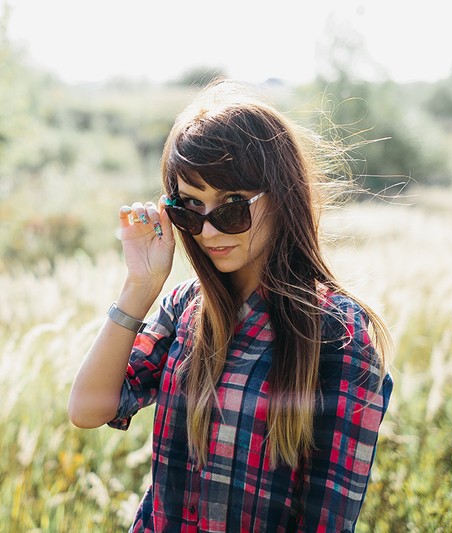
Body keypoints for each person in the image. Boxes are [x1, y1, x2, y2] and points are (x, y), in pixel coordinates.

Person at [68, 79, 393, 533]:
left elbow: (327, 522)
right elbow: (88, 410)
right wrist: (140, 286)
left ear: (282, 196)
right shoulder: (184, 309)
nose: (209, 231)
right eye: (189, 208)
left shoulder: (338, 333)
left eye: (232, 206)